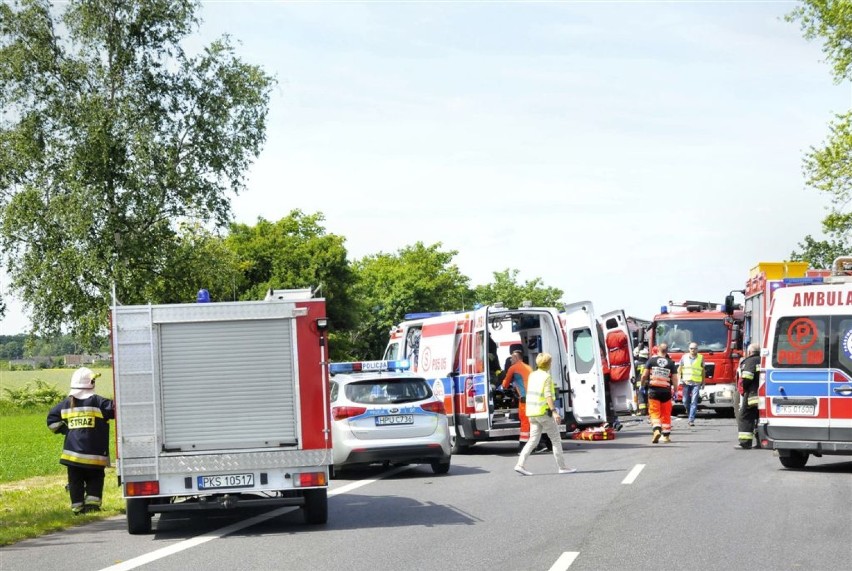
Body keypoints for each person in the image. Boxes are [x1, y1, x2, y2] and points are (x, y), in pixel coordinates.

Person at [46, 367, 115, 514]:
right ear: (91, 382)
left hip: (72, 455)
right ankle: (92, 506)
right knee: (95, 479)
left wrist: (67, 431)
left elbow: (52, 422)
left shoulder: (66, 404)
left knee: (75, 481)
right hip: (94, 456)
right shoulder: (98, 402)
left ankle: (77, 508)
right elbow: (116, 409)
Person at [514, 353, 577, 475]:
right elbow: (548, 395)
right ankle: (562, 467)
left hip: (532, 412)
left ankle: (520, 464)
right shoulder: (546, 377)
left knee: (533, 440)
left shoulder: (532, 375)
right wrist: (554, 412)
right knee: (555, 439)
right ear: (548, 364)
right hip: (543, 412)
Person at [642, 343, 679, 444]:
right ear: (667, 351)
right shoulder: (671, 363)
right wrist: (675, 391)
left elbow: (644, 375)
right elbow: (675, 379)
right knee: (666, 413)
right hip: (666, 392)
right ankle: (666, 436)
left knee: (654, 412)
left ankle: (657, 429)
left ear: (658, 350)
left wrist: (642, 385)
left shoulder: (651, 361)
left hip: (653, 391)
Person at [501, 349, 533, 451]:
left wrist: (502, 383)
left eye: (511, 358)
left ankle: (523, 445)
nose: (510, 360)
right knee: (533, 421)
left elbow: (505, 385)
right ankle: (538, 442)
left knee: (524, 421)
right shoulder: (529, 367)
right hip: (533, 397)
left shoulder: (513, 368)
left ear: (515, 358)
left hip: (524, 399)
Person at [736, 343, 761, 449]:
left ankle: (745, 442)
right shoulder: (764, 360)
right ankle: (760, 441)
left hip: (752, 395)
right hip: (764, 396)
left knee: (744, 416)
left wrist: (743, 389)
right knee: (760, 418)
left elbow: (746, 378)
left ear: (750, 352)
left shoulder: (750, 361)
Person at [678, 342, 705, 426]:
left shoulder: (701, 358)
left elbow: (703, 370)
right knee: (685, 401)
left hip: (696, 383)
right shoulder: (684, 357)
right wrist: (679, 379)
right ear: (689, 349)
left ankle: (691, 419)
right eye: (691, 348)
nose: (693, 350)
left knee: (694, 401)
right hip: (686, 382)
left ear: (697, 349)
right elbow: (679, 369)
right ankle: (689, 412)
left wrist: (703, 381)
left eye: (695, 348)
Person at [634, 347, 649, 416]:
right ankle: (648, 410)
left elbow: (634, 374)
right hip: (648, 382)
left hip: (639, 383)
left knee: (641, 397)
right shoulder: (649, 363)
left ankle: (642, 411)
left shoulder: (636, 364)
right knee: (648, 396)